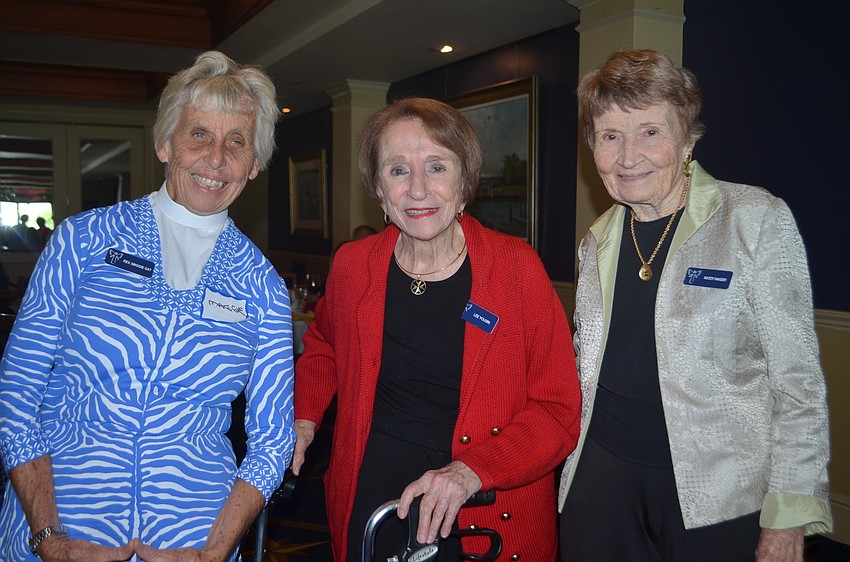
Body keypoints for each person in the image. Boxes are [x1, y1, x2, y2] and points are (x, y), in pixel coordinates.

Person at [0, 51, 295, 562]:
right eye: (199, 134)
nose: (216, 158)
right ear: (164, 143)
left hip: (194, 537)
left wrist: (214, 553)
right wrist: (49, 538)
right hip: (60, 523)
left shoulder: (261, 286)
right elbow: (17, 390)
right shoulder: (83, 241)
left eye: (237, 142)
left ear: (255, 165)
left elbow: (272, 441)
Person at [558, 49, 832, 562]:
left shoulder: (754, 220)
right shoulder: (596, 241)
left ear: (687, 140)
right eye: (609, 136)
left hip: (719, 496)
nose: (627, 156)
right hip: (601, 485)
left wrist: (789, 518)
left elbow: (798, 385)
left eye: (649, 132)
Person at [292, 97, 581, 561]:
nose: (418, 189)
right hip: (371, 495)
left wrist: (471, 470)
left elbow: (558, 409)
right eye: (398, 171)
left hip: (482, 502)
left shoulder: (516, 270)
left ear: (465, 182)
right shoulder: (353, 266)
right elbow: (325, 341)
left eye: (437, 167)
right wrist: (305, 416)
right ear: (379, 191)